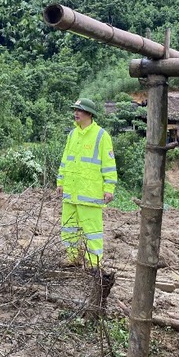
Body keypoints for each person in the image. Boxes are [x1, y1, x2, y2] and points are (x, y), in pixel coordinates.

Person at [56, 98, 117, 268]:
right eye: (75, 109)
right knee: (69, 228)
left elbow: (109, 164)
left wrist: (109, 188)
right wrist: (60, 182)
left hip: (89, 193)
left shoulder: (101, 136)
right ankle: (73, 257)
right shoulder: (72, 134)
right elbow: (65, 160)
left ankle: (93, 263)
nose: (76, 113)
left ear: (89, 114)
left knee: (92, 231)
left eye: (80, 110)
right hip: (70, 191)